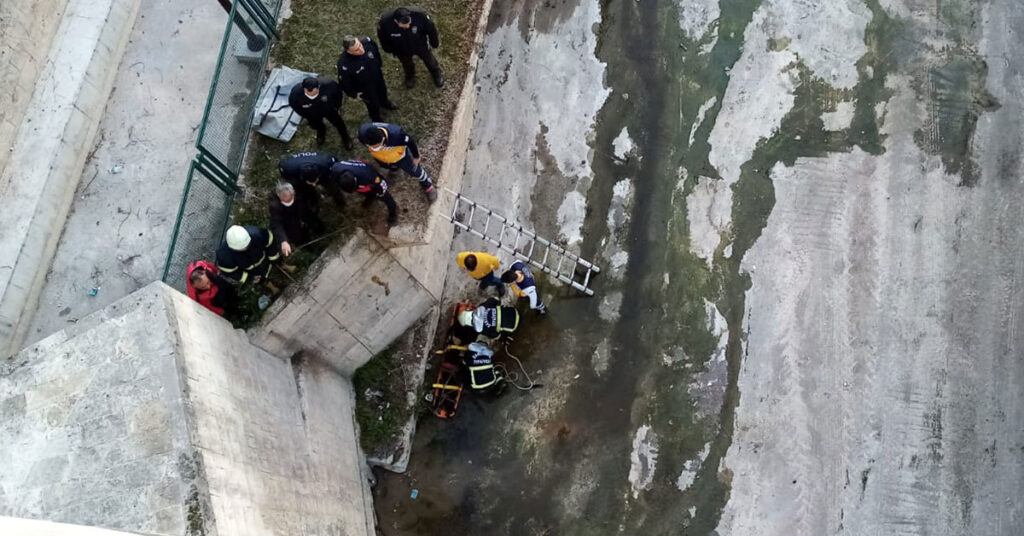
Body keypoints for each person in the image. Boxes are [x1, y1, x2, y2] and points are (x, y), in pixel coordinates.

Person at [357, 122, 437, 202]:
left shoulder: (397, 135)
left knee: (414, 170)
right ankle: (394, 168)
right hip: (383, 157)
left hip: (401, 156)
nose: (373, 147)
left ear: (383, 139)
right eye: (370, 146)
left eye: (376, 146)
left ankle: (428, 185)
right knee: (387, 165)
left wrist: (416, 157)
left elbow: (410, 142)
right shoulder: (363, 133)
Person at [377, 7, 443, 88]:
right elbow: (382, 37)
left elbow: (431, 29)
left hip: (420, 44)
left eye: (409, 23)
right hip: (401, 49)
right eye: (404, 25)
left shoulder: (420, 16)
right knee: (406, 64)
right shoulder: (385, 22)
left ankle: (435, 71)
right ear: (396, 21)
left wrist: (434, 43)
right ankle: (410, 76)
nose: (408, 26)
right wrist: (388, 48)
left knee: (428, 59)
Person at [337, 36, 396, 122]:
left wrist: (379, 65)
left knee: (383, 92)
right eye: (356, 50)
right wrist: (353, 94)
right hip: (365, 88)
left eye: (360, 45)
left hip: (377, 77)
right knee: (373, 105)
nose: (361, 50)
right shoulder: (344, 65)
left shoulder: (367, 42)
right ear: (348, 51)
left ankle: (385, 103)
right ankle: (376, 119)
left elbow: (376, 52)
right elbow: (344, 83)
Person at [215, 225, 292, 290]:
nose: (246, 248)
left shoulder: (257, 234)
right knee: (260, 280)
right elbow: (231, 272)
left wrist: (273, 256)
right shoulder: (224, 257)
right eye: (242, 248)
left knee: (277, 259)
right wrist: (249, 278)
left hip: (263, 257)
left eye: (247, 245)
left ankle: (284, 266)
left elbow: (270, 242)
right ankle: (272, 287)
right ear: (232, 247)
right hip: (252, 271)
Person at [288, 77, 353, 149]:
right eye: (307, 91)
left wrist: (336, 107)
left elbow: (338, 95)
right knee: (316, 126)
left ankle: (345, 137)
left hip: (329, 111)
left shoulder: (329, 85)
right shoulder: (295, 95)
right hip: (312, 115)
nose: (310, 93)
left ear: (318, 87)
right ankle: (321, 133)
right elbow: (295, 107)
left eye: (313, 91)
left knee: (339, 123)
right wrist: (306, 115)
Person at [330, 159, 399, 225]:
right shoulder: (336, 168)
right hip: (359, 171)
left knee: (385, 196)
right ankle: (370, 197)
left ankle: (393, 211)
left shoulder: (369, 177)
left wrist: (381, 192)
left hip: (368, 172)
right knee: (364, 191)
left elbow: (381, 186)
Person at [268, 182, 324, 257]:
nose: (288, 201)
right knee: (300, 240)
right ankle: (310, 252)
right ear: (279, 196)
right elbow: (277, 224)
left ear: (293, 192)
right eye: (285, 200)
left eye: (290, 198)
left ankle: (321, 233)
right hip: (292, 225)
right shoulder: (275, 206)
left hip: (304, 215)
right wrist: (283, 241)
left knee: (316, 225)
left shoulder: (299, 193)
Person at [278, 151, 343, 207]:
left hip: (322, 173)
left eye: (315, 181)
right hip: (300, 176)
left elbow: (336, 164)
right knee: (304, 190)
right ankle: (312, 199)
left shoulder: (326, 162)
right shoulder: (288, 167)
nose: (314, 185)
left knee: (332, 186)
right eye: (311, 182)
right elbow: (286, 176)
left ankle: (339, 198)